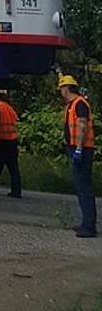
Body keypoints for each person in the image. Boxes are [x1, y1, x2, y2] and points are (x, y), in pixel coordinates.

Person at [58, 74, 97, 238]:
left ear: (66, 88)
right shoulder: (73, 104)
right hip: (76, 148)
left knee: (84, 188)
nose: (60, 92)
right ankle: (86, 223)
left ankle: (89, 226)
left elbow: (82, 127)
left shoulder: (80, 104)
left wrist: (79, 149)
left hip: (81, 149)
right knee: (81, 187)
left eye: (61, 89)